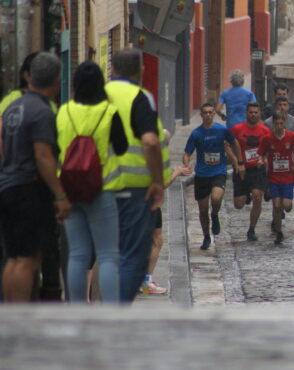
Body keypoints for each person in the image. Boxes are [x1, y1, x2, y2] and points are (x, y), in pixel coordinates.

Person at [0, 53, 70, 302]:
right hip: (29, 190)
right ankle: (19, 318)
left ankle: (8, 313)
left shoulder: (12, 108)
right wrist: (60, 195)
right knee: (28, 259)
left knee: (14, 257)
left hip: (8, 185)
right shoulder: (42, 111)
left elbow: (4, 148)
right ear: (55, 80)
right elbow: (43, 156)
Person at [57, 61, 128, 303]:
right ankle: (110, 311)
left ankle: (76, 308)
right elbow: (122, 147)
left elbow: (56, 147)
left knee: (77, 254)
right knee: (108, 254)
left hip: (69, 191)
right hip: (102, 190)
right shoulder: (109, 113)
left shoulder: (64, 111)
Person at [105, 48, 168, 303]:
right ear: (140, 71)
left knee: (106, 253)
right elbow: (151, 142)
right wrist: (157, 181)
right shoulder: (141, 97)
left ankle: (100, 305)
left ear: (112, 69)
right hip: (135, 187)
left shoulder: (98, 94)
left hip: (100, 184)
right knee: (134, 254)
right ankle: (119, 307)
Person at [183, 103, 242, 251]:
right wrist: (186, 165)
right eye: (205, 113)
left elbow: (235, 143)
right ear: (201, 115)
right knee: (202, 210)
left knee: (216, 198)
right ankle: (206, 237)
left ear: (213, 114)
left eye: (210, 112)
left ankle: (215, 215)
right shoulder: (196, 134)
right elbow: (187, 153)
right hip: (202, 174)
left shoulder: (222, 130)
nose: (208, 115)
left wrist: (239, 162)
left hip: (218, 172)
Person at [142, 133, 191, 296]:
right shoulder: (156, 157)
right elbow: (162, 184)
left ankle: (143, 279)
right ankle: (145, 281)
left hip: (142, 202)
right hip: (150, 202)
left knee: (152, 240)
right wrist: (177, 172)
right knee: (156, 241)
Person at [229, 102, 271, 242]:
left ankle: (251, 229)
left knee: (257, 196)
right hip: (242, 169)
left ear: (259, 114)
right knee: (238, 204)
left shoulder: (265, 130)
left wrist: (264, 158)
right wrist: (237, 163)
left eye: (255, 112)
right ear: (246, 113)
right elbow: (227, 146)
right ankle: (245, 195)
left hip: (257, 170)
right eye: (251, 112)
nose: (253, 115)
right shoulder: (237, 129)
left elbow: (270, 148)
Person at [260, 111, 294, 245]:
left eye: (281, 123)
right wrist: (263, 160)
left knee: (287, 206)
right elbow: (262, 153)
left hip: (288, 176)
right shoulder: (267, 138)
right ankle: (279, 232)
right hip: (273, 177)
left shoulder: (291, 136)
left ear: (284, 123)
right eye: (276, 123)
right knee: (276, 205)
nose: (279, 126)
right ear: (273, 123)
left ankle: (286, 209)